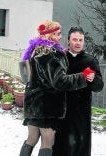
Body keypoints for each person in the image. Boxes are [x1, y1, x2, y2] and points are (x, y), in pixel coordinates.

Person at [19, 20, 94, 156]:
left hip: (33, 104)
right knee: (47, 143)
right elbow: (59, 82)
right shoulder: (51, 54)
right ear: (50, 35)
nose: (60, 37)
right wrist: (82, 76)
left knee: (31, 139)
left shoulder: (36, 51)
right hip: (47, 106)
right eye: (58, 34)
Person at [52, 27, 104, 156]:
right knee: (61, 146)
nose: (78, 43)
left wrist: (92, 80)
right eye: (74, 39)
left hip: (82, 112)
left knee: (80, 147)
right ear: (68, 41)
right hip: (62, 111)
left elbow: (99, 86)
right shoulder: (61, 58)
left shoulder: (90, 60)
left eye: (81, 40)